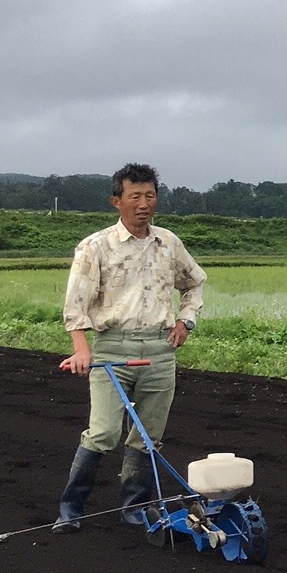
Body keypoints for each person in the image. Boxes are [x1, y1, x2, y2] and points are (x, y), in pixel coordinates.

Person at [53, 163, 207, 532]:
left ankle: (133, 508)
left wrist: (186, 321)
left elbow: (195, 284)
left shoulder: (169, 243)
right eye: (134, 196)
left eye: (149, 196)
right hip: (112, 348)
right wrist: (82, 349)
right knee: (104, 432)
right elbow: (76, 304)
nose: (143, 204)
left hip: (159, 348)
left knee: (147, 436)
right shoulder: (95, 247)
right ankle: (70, 508)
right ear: (116, 201)